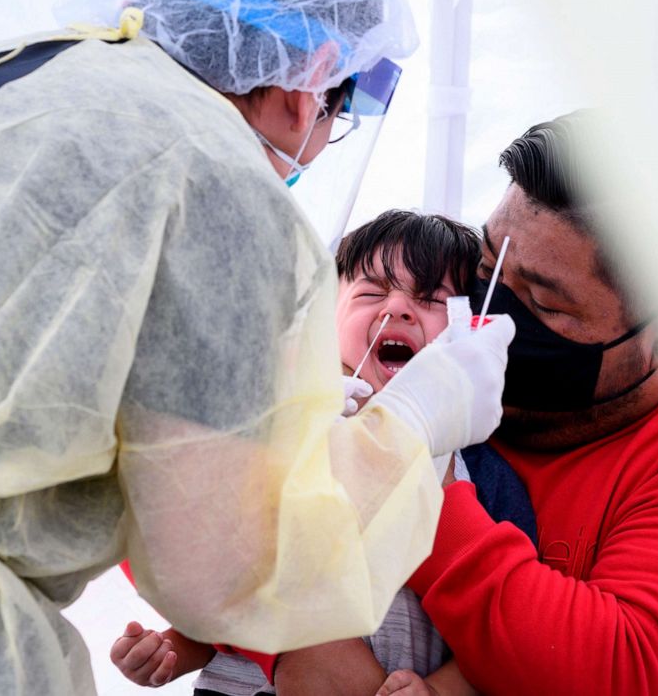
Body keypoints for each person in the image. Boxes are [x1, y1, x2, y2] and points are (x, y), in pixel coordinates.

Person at [0, 0, 516, 694]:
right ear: (310, 77)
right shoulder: (222, 185)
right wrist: (414, 419)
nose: (317, 147)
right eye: (337, 115)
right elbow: (230, 571)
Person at [302, 111, 658, 695]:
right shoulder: (422, 353)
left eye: (544, 303)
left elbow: (624, 672)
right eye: (489, 268)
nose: (494, 313)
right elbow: (201, 494)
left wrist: (400, 481)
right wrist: (280, 642)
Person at [109, 210, 537, 695]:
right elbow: (231, 577)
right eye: (372, 292)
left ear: (467, 326)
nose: (396, 309)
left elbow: (505, 631)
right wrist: (173, 648)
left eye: (430, 299)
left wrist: (440, 690)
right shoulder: (276, 429)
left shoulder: (481, 473)